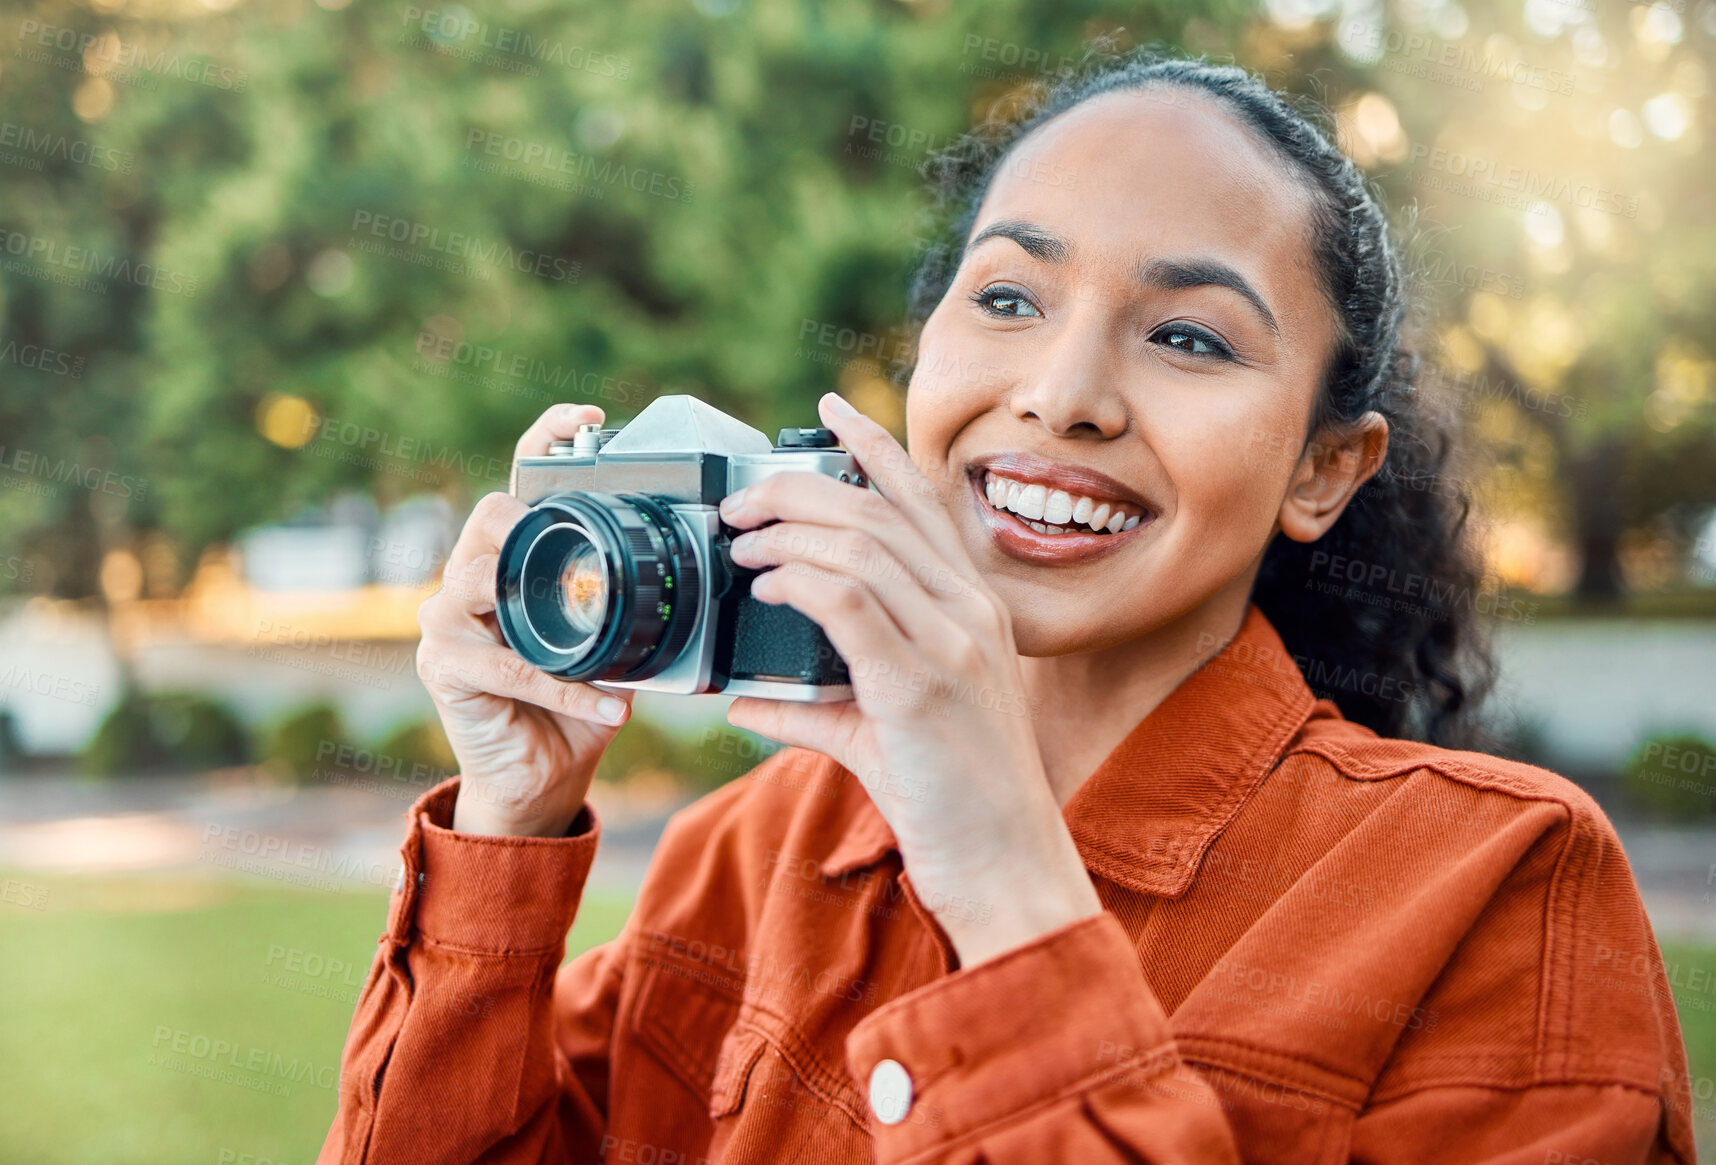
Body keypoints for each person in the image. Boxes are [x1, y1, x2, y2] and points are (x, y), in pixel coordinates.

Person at [317, 53, 1696, 1165]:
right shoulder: (741, 856)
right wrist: (509, 827)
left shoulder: (1499, 888)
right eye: (1009, 297)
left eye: (1189, 336)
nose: (1063, 391)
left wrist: (1002, 872)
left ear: (1324, 470)